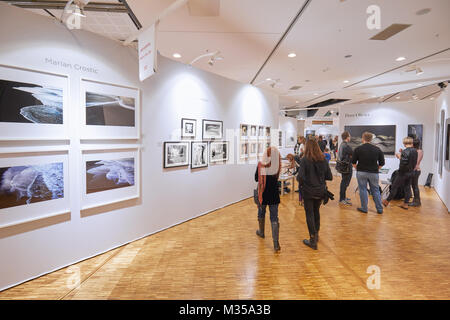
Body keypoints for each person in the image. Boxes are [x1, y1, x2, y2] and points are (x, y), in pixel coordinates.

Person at [298, 139, 332, 250]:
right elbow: (329, 176)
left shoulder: (304, 160)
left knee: (309, 214)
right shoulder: (323, 159)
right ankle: (316, 235)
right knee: (316, 211)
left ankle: (312, 240)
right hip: (320, 191)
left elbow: (301, 177)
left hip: (308, 191)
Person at [255, 146, 282, 252]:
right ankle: (276, 244)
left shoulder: (261, 165)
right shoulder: (277, 166)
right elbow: (277, 177)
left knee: (261, 212)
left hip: (263, 194)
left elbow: (256, 178)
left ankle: (261, 232)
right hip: (274, 194)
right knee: (274, 218)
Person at [352, 132, 385, 214]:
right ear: (371, 139)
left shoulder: (358, 149)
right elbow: (382, 163)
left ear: (363, 138)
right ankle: (379, 209)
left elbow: (353, 162)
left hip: (361, 172)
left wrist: (357, 169)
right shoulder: (377, 149)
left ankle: (364, 208)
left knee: (362, 190)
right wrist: (376, 168)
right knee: (375, 190)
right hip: (374, 173)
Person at [383, 137, 418, 210]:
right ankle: (406, 204)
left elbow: (403, 163)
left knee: (394, 187)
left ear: (404, 143)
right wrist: (402, 153)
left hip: (403, 173)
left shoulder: (405, 152)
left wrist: (399, 156)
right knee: (407, 188)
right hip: (411, 172)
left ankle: (387, 201)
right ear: (411, 143)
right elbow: (410, 160)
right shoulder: (415, 151)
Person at [338, 131, 353, 205]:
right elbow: (352, 154)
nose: (350, 137)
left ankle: (343, 197)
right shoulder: (346, 145)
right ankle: (342, 199)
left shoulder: (342, 144)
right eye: (349, 136)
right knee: (344, 182)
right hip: (346, 167)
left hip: (344, 166)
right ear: (347, 137)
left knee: (344, 182)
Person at [410, 138, 423, 207]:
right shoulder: (416, 151)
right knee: (414, 186)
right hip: (415, 170)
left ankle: (417, 202)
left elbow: (416, 162)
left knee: (415, 186)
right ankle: (415, 201)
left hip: (416, 170)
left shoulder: (419, 151)